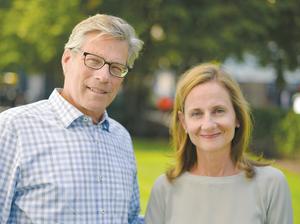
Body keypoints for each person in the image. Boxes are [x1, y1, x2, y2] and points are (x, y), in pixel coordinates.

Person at [0, 14, 144, 223]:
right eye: (93, 60)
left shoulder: (121, 137)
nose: (104, 76)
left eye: (116, 68)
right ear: (67, 60)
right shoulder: (13, 128)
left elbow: (129, 219)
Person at [145, 63, 293, 224]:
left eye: (218, 111)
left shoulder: (271, 185)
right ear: (183, 122)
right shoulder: (164, 189)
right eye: (196, 113)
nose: (208, 124)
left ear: (237, 116)